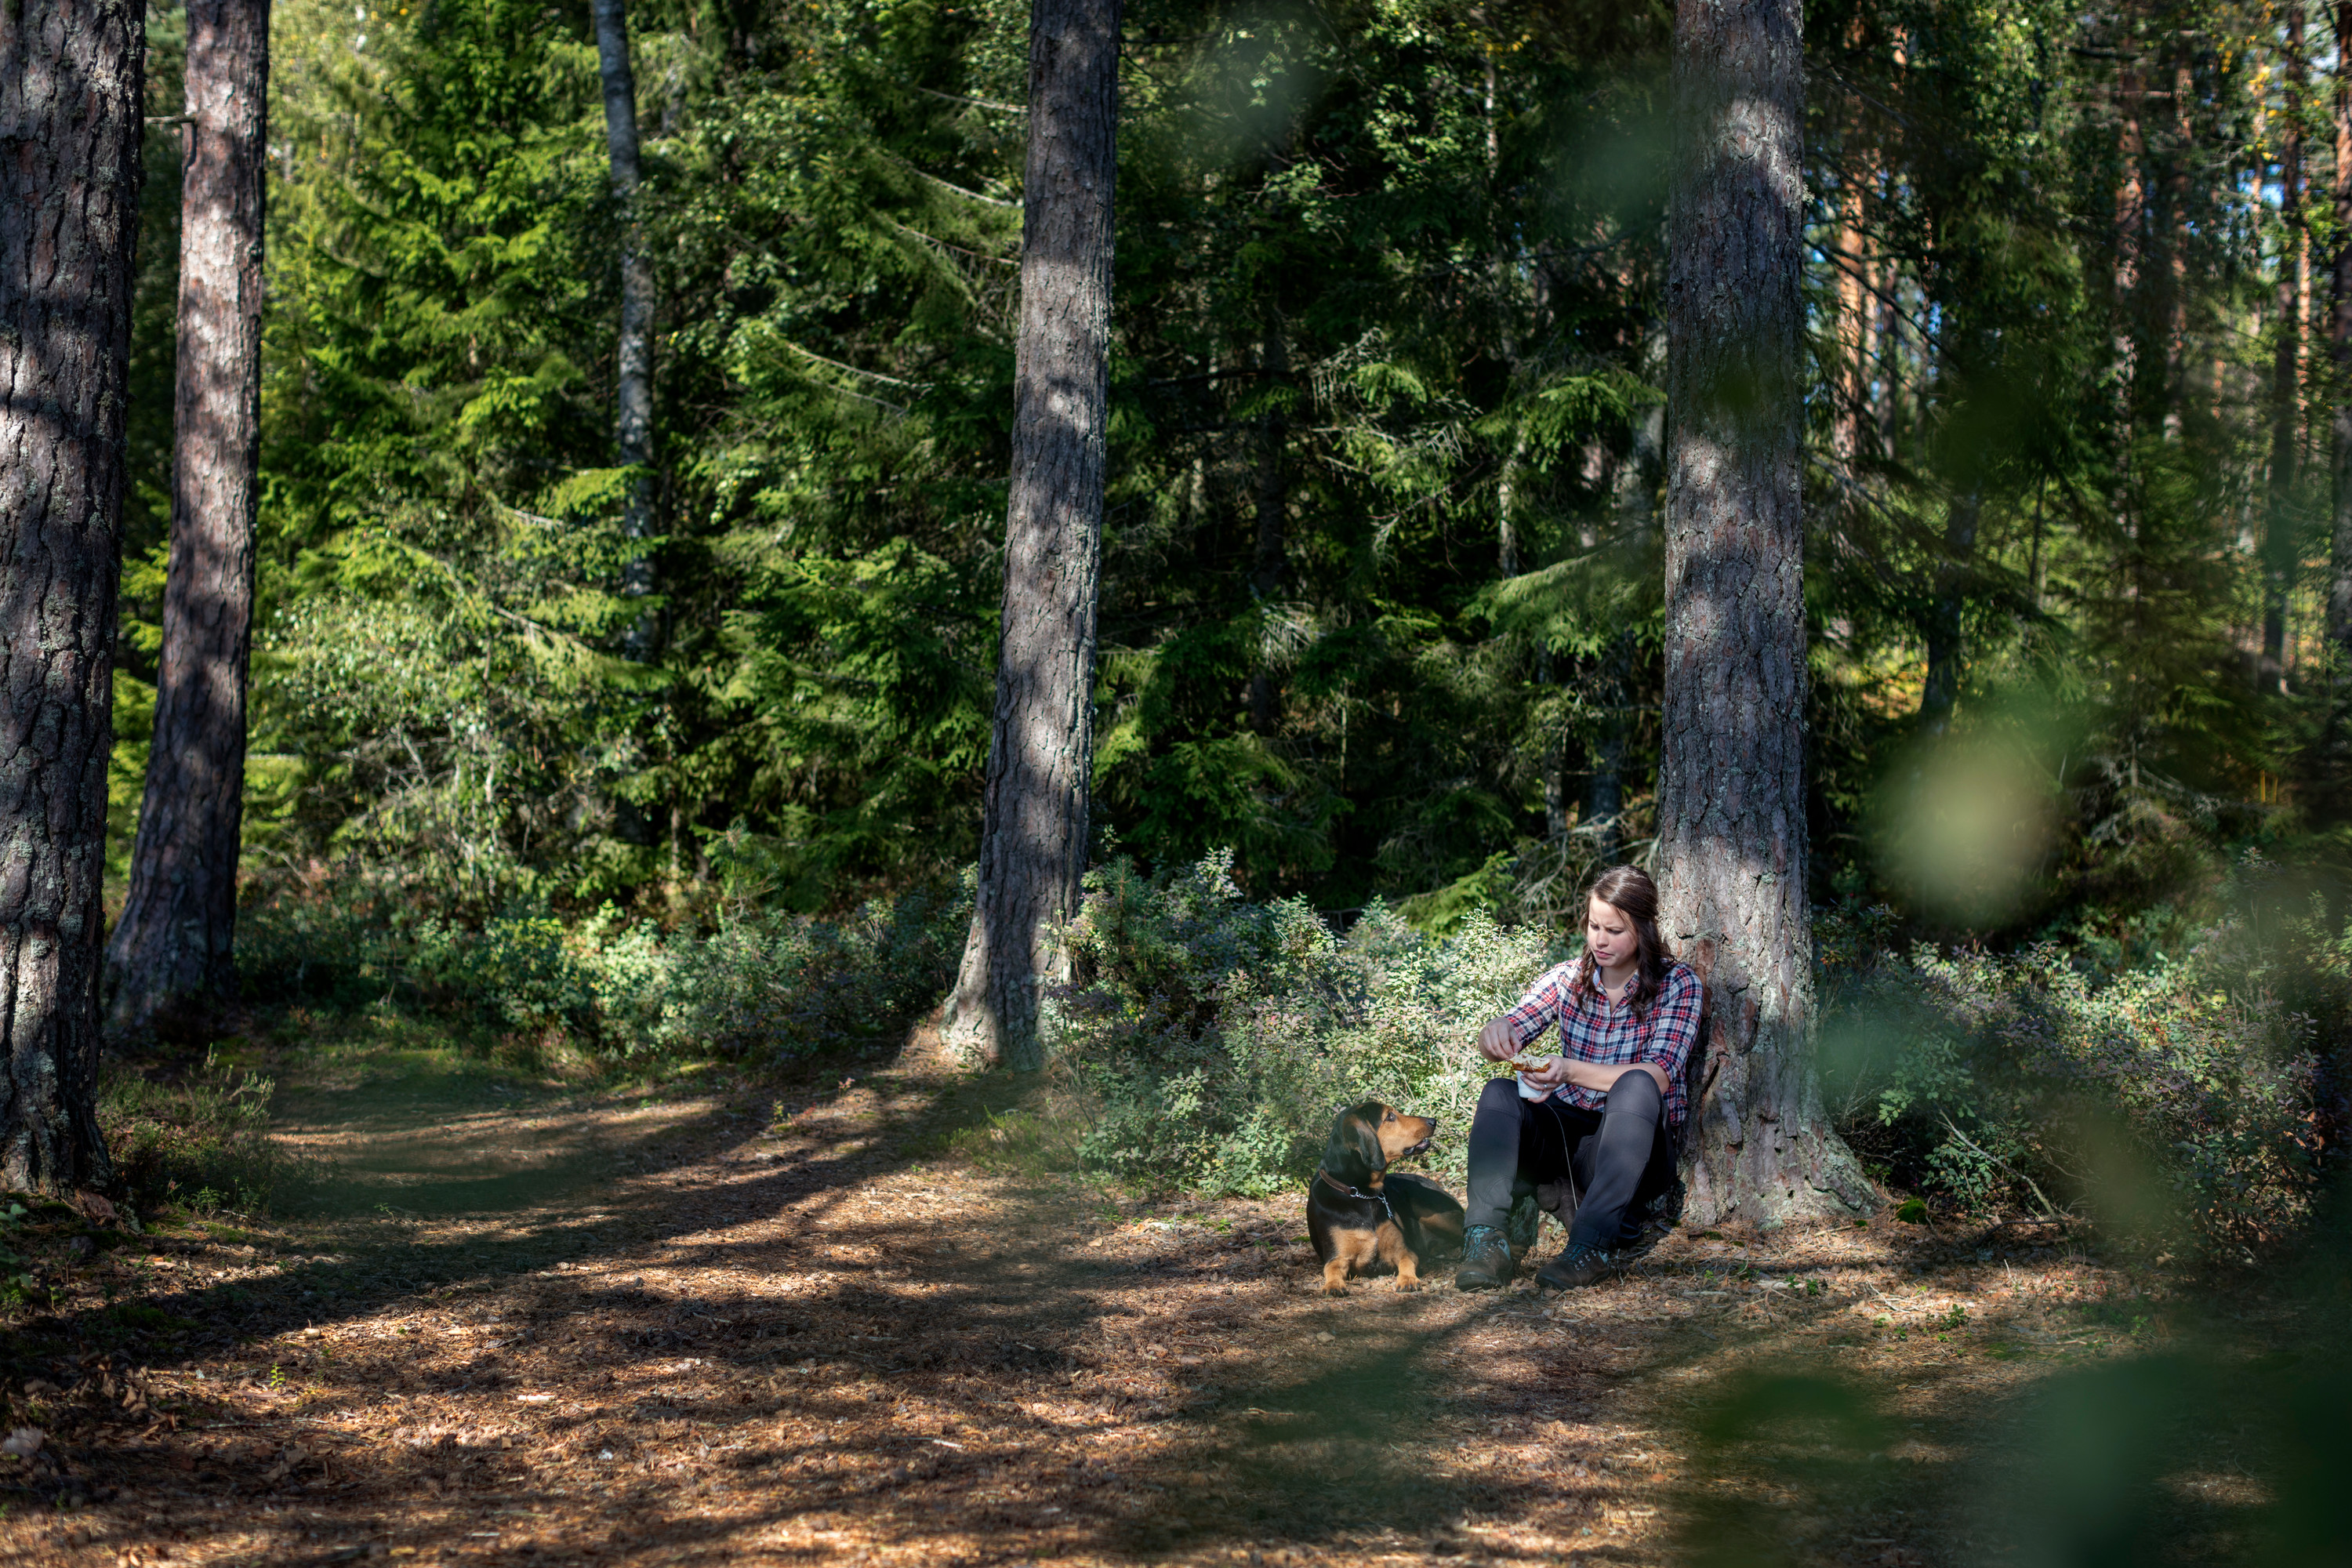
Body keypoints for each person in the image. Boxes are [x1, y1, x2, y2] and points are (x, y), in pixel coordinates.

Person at [1455, 866, 1700, 1292]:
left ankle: (1590, 1247)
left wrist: (1568, 1070)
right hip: (1568, 1142)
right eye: (1593, 926)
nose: (1600, 940)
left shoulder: (1678, 984)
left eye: (1615, 930)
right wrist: (1494, 1034)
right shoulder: (1568, 979)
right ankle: (1484, 1240)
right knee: (1499, 1092)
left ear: (1642, 929)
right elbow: (1516, 1022)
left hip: (1632, 1145)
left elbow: (1659, 1075)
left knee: (1638, 1086)